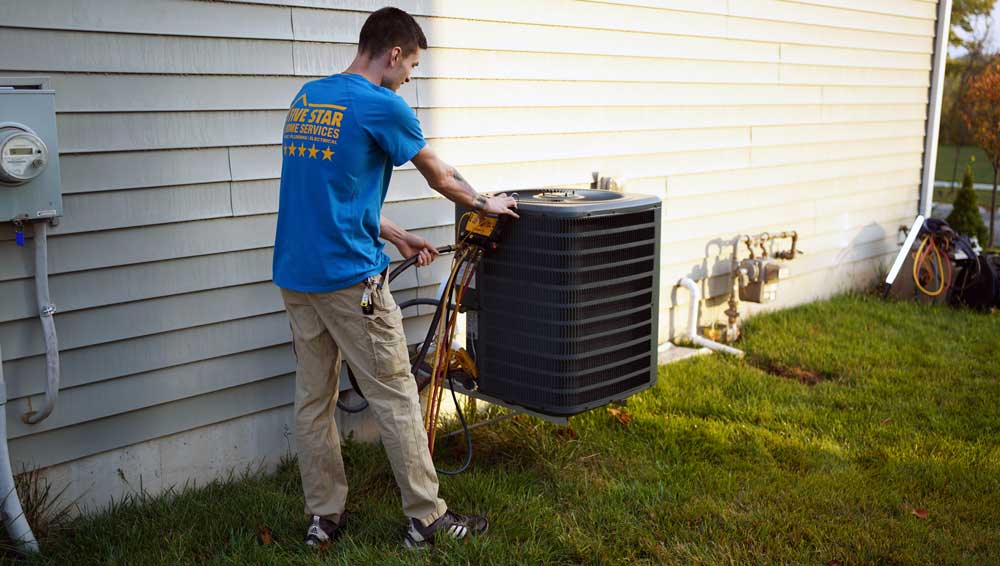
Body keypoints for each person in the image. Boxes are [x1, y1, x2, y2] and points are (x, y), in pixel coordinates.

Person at [272, 7, 519, 550]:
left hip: (296, 275)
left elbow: (328, 194)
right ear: (392, 54)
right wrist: (486, 202)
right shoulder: (383, 105)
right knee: (397, 396)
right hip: (349, 282)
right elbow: (441, 176)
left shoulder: (309, 98)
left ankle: (324, 518)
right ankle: (426, 519)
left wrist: (394, 233)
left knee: (313, 401)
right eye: (411, 65)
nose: (411, 76)